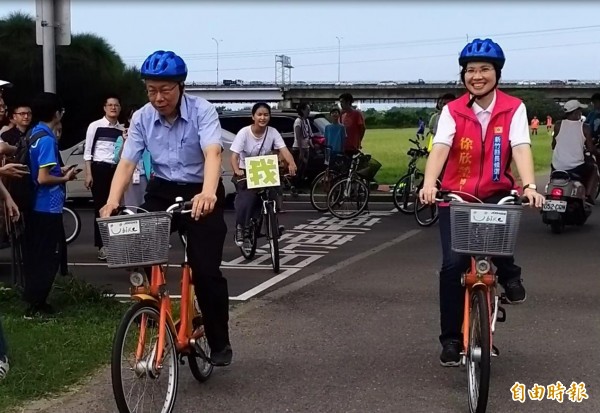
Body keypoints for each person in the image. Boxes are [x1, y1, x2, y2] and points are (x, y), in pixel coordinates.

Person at [99, 50, 232, 366]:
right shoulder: (143, 116)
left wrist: (208, 193)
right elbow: (128, 160)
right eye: (151, 90)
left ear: (180, 86)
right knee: (137, 246)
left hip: (203, 189)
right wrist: (112, 201)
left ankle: (219, 341)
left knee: (206, 270)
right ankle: (152, 307)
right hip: (163, 190)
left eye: (165, 90)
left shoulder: (202, 111)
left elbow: (213, 153)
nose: (158, 97)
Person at [419, 38, 545, 367]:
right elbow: (441, 149)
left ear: (496, 74)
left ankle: (510, 274)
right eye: (471, 70)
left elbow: (520, 147)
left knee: (500, 232)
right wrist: (429, 183)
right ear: (463, 76)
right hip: (456, 194)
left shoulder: (513, 107)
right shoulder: (453, 110)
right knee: (453, 265)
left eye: (484, 69)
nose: (477, 76)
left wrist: (530, 184)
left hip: (494, 190)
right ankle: (450, 340)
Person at [24, 92, 79, 318]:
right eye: (61, 111)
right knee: (48, 257)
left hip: (37, 206)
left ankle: (36, 301)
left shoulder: (33, 134)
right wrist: (65, 178)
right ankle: (36, 306)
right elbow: (43, 178)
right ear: (55, 113)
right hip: (47, 207)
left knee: (39, 255)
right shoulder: (46, 139)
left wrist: (60, 170)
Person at [230, 102, 297, 246]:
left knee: (274, 193)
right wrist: (237, 170)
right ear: (253, 116)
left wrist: (291, 163)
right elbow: (234, 156)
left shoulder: (272, 132)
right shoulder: (244, 133)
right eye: (259, 114)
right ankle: (241, 227)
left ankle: (272, 223)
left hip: (264, 168)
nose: (263, 118)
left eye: (266, 115)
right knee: (247, 199)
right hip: (246, 171)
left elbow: (284, 150)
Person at [83, 94, 124, 261]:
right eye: (110, 105)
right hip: (99, 169)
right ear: (104, 108)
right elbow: (88, 152)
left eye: (116, 105)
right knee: (100, 208)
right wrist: (88, 173)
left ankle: (113, 244)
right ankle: (102, 246)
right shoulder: (95, 126)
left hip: (116, 171)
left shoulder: (122, 129)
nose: (113, 107)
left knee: (115, 208)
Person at [551, 99, 600, 203]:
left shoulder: (558, 125)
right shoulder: (585, 127)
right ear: (577, 112)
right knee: (594, 169)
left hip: (556, 166)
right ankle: (588, 197)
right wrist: (596, 152)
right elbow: (591, 149)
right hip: (576, 167)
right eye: (580, 111)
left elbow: (553, 145)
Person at [113, 106, 152, 207]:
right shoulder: (121, 138)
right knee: (131, 207)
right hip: (129, 178)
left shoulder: (149, 136)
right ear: (129, 119)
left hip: (145, 176)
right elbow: (117, 159)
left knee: (146, 206)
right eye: (132, 116)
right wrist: (125, 141)